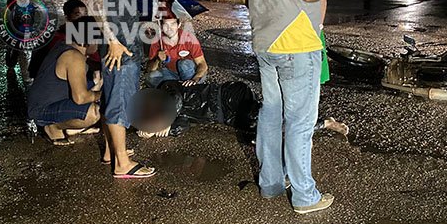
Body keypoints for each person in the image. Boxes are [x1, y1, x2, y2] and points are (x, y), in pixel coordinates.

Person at [235, 0, 333, 214]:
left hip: (266, 42)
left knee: (271, 114)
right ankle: (305, 196)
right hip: (296, 44)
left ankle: (272, 184)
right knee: (300, 122)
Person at [88, 0, 155, 179]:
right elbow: (94, 2)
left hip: (124, 45)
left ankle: (111, 152)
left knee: (112, 98)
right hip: (120, 49)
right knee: (119, 102)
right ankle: (122, 165)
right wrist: (113, 41)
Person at [131, 80, 349, 140]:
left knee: (263, 119)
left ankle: (319, 121)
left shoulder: (168, 89)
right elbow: (180, 128)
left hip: (228, 95)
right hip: (229, 117)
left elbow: (175, 97)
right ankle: (322, 123)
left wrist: (163, 123)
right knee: (261, 130)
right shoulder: (178, 118)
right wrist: (160, 130)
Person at [27, 16, 102, 145]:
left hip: (47, 101)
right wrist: (103, 95)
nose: (99, 43)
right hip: (42, 110)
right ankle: (53, 127)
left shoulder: (65, 45)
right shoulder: (74, 57)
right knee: (95, 111)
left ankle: (70, 127)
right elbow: (80, 98)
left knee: (95, 81)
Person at [145, 12, 208, 87]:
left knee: (183, 64)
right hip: (172, 74)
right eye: (166, 24)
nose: (169, 28)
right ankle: (177, 87)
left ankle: (190, 88)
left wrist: (195, 78)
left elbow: (202, 64)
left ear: (179, 25)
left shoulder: (189, 38)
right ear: (161, 26)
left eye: (173, 24)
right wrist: (157, 59)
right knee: (151, 77)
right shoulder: (158, 41)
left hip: (192, 74)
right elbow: (149, 69)